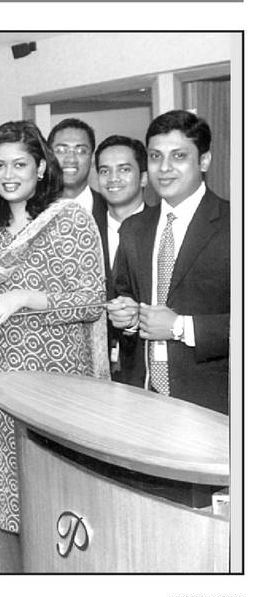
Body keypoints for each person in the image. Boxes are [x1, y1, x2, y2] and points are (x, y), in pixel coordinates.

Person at [0, 121, 109, 573]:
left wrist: (25, 298)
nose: (8, 175)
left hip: (57, 383)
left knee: (58, 497)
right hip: (5, 383)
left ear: (41, 167)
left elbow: (91, 300)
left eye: (19, 164)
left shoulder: (70, 220)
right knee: (10, 495)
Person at [108, 110, 229, 414]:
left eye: (178, 156)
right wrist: (127, 318)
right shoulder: (134, 228)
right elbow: (125, 296)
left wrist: (179, 327)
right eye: (155, 156)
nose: (164, 168)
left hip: (214, 405)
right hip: (141, 398)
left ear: (204, 161)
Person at [94, 136, 151, 381]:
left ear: (144, 177)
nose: (113, 178)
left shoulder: (163, 230)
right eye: (105, 171)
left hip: (145, 366)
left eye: (124, 169)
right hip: (93, 367)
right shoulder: (84, 231)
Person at [48, 118, 107, 219]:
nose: (71, 159)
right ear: (48, 156)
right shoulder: (29, 210)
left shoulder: (111, 208)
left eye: (81, 151)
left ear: (92, 159)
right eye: (61, 150)